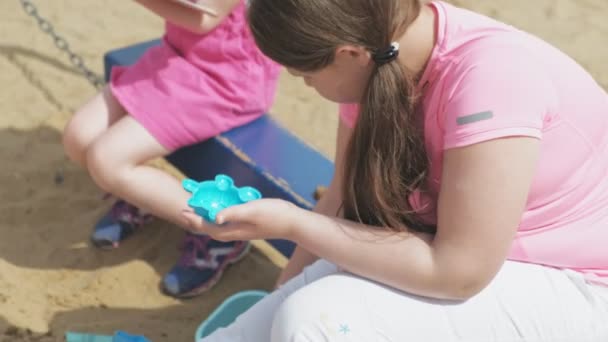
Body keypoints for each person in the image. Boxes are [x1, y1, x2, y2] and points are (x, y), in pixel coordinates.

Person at [181, 0, 608, 340]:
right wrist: (278, 291)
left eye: (304, 75)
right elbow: (340, 200)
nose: (307, 87)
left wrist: (292, 225)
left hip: (577, 282)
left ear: (347, 55)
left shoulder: (491, 82)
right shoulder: (380, 50)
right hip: (465, 253)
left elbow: (458, 272)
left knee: (313, 322)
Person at [62, 0, 280, 298]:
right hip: (179, 55)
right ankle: (139, 195)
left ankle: (221, 229)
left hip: (226, 79)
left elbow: (204, 18)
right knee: (79, 137)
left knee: (107, 160)